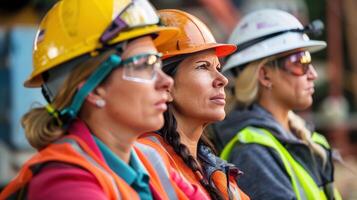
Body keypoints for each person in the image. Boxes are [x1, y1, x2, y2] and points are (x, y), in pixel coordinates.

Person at [0, 0, 204, 199]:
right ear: (93, 88)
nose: (166, 81)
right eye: (144, 64)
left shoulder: (149, 160)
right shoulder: (64, 182)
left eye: (158, 64)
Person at [212, 9, 342, 200]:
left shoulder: (304, 138)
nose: (312, 74)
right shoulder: (252, 153)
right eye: (300, 62)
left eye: (309, 59)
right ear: (265, 75)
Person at [138, 9, 250, 200]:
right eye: (202, 67)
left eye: (218, 68)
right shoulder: (146, 157)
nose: (222, 79)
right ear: (164, 84)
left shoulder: (213, 169)